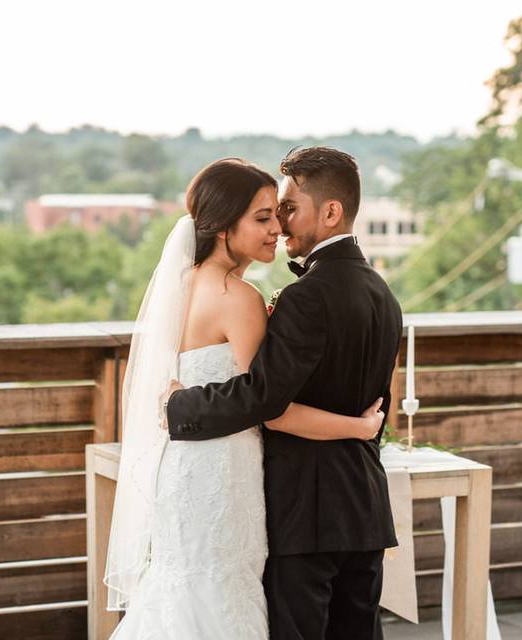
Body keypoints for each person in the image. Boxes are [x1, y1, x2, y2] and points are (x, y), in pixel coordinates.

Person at [105, 157, 384, 640]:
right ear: (221, 225)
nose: (277, 227)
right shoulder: (249, 297)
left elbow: (258, 397)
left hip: (183, 475)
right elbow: (268, 406)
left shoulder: (180, 288)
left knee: (181, 594)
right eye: (263, 217)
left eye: (280, 213)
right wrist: (359, 428)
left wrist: (177, 408)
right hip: (235, 478)